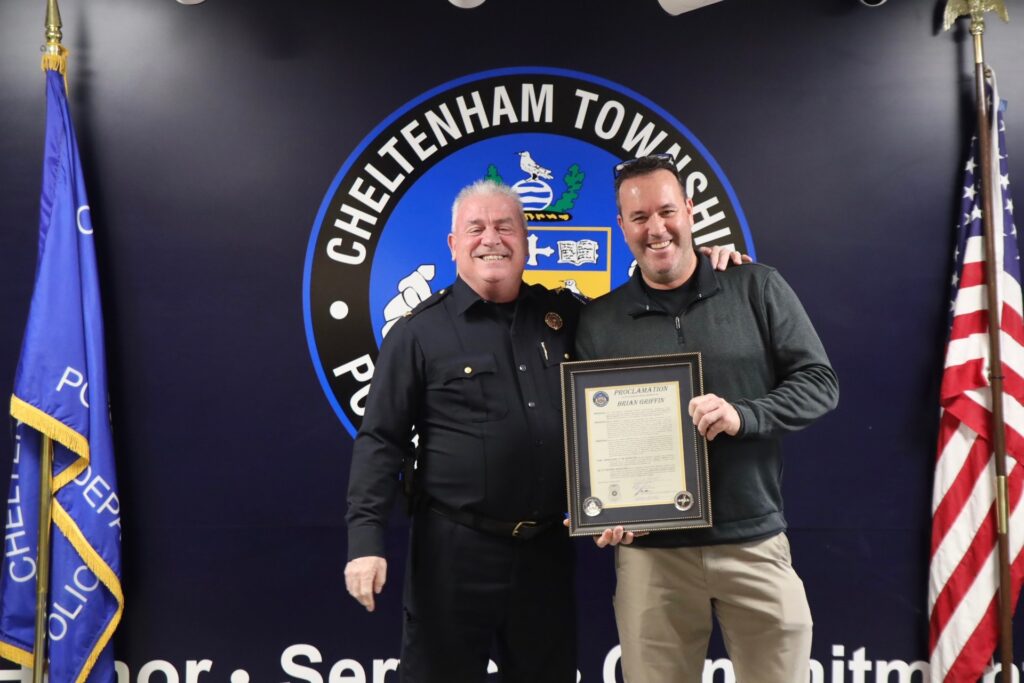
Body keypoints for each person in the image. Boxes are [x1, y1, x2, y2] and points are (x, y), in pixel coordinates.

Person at [344, 178, 746, 682]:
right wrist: (365, 542)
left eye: (505, 227)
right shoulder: (416, 333)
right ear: (453, 244)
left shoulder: (568, 317)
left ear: (527, 241)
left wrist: (702, 265)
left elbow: (643, 319)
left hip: (544, 554)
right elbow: (381, 442)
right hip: (452, 553)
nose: (491, 239)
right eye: (476, 228)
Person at [575, 154, 839, 683]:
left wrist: (745, 415)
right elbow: (587, 438)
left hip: (753, 544)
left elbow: (819, 383)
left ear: (690, 211)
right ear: (621, 226)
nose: (656, 229)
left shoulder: (756, 286)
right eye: (639, 217)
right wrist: (603, 510)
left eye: (666, 211)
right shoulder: (599, 321)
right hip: (651, 559)